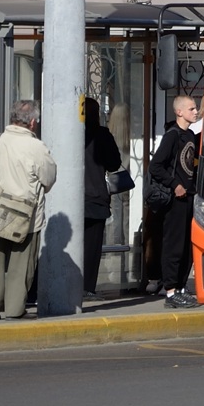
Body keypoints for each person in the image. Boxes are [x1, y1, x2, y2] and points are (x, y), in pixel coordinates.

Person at [0, 100, 56, 321]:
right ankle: (14, 309)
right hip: (26, 215)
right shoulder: (37, 147)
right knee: (21, 265)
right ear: (32, 122)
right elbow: (49, 179)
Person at [151, 96, 200, 308]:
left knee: (187, 246)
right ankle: (170, 292)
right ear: (179, 112)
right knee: (174, 245)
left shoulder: (190, 135)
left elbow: (193, 163)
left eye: (196, 108)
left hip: (190, 197)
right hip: (175, 200)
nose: (195, 111)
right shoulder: (172, 136)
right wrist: (174, 184)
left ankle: (181, 287)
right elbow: (156, 166)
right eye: (191, 108)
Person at [82, 98, 121, 300]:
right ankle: (87, 287)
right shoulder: (102, 134)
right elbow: (114, 163)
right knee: (91, 246)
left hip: (72, 199)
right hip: (95, 197)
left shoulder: (69, 133)